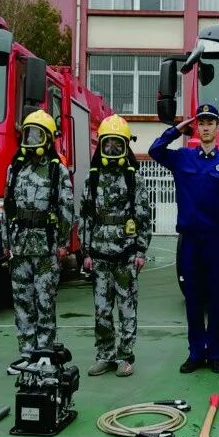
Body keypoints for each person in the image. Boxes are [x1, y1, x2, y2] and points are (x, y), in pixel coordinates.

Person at [149, 104, 219, 374]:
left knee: (216, 300)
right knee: (193, 299)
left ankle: (215, 353)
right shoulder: (182, 158)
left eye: (210, 123)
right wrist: (177, 129)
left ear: (218, 127)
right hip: (189, 241)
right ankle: (196, 352)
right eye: (201, 123)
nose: (206, 127)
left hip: (213, 241)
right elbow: (154, 150)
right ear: (196, 127)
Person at [1, 109, 74, 374]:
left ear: (48, 138)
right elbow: (7, 207)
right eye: (28, 134)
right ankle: (26, 353)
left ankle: (44, 351)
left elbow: (66, 208)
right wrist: (6, 242)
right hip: (20, 246)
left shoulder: (56, 170)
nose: (31, 139)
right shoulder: (15, 168)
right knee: (22, 301)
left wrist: (63, 243)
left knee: (45, 300)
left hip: (46, 247)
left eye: (37, 134)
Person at [80, 115, 151, 377]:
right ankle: (105, 355)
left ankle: (125, 356)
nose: (111, 149)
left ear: (125, 146)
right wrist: (86, 252)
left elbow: (144, 216)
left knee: (126, 307)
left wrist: (141, 251)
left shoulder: (134, 179)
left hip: (126, 254)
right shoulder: (93, 179)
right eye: (107, 144)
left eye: (117, 144)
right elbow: (85, 217)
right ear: (100, 145)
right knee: (102, 309)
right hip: (99, 255)